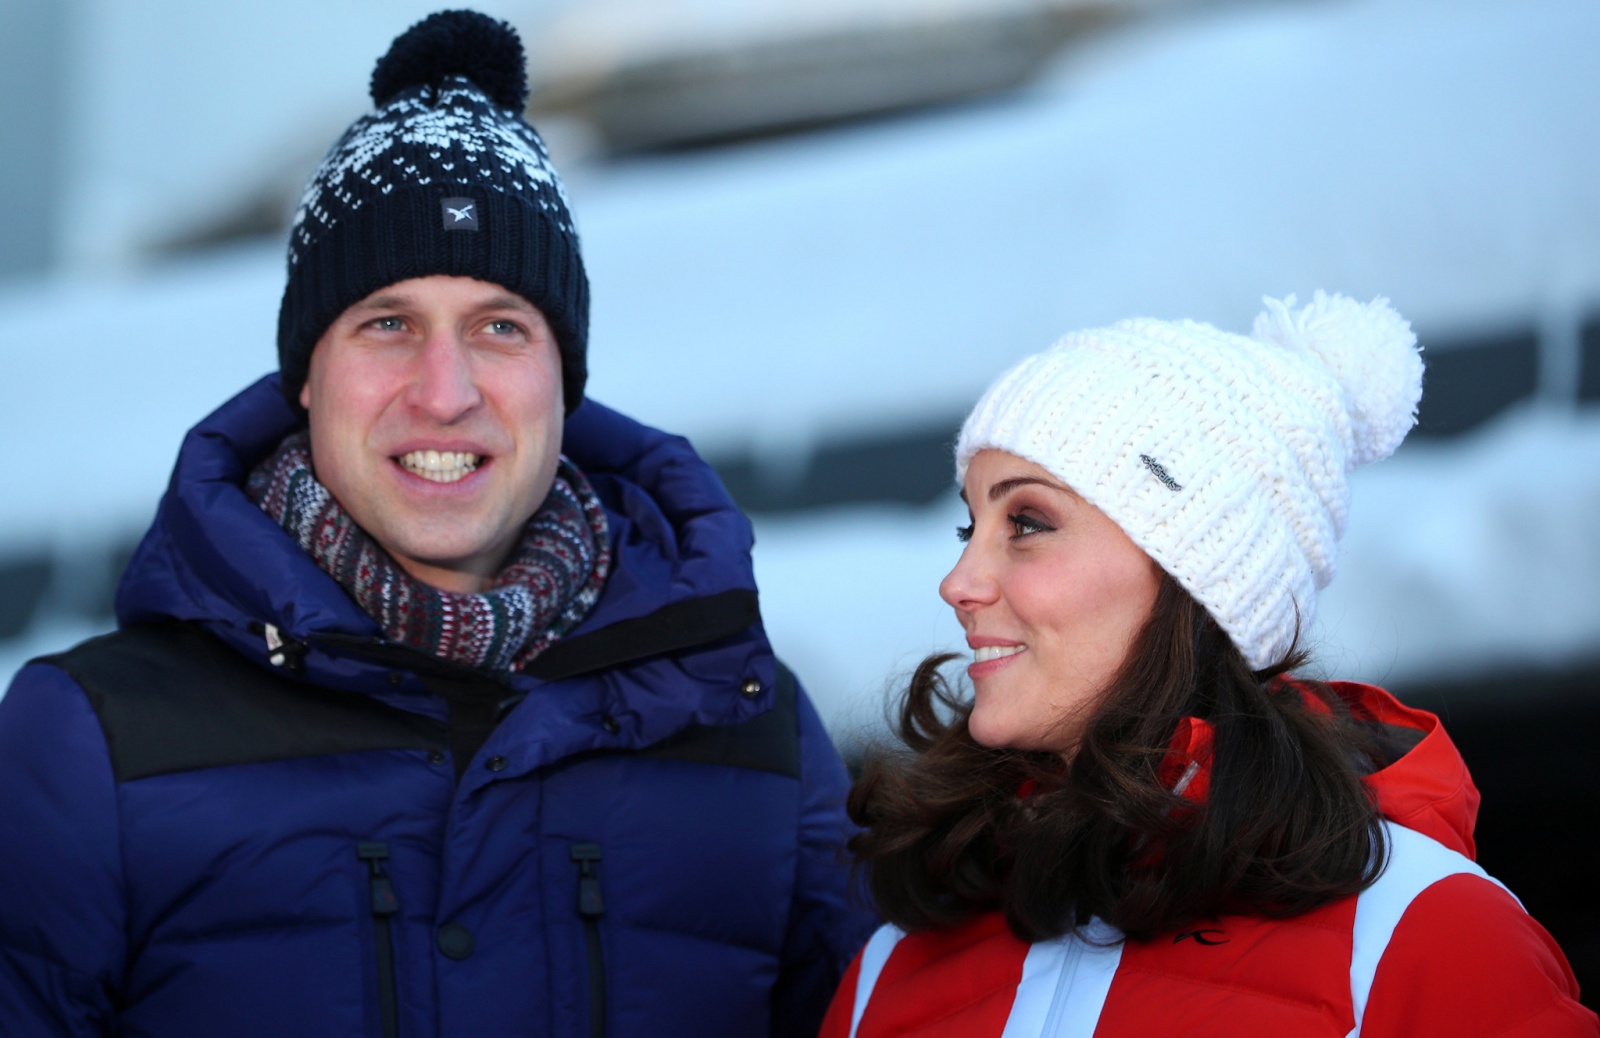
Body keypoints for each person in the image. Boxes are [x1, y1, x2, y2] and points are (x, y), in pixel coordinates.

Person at [0, 11, 873, 1036]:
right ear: (307, 380)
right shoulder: (93, 742)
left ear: (563, 379)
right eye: (388, 325)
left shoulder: (748, 727)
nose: (445, 391)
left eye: (500, 326)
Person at [822, 294, 1598, 1037]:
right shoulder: (895, 965)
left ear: (1193, 579)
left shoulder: (1421, 937)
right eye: (970, 522)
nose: (959, 582)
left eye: (1026, 522)